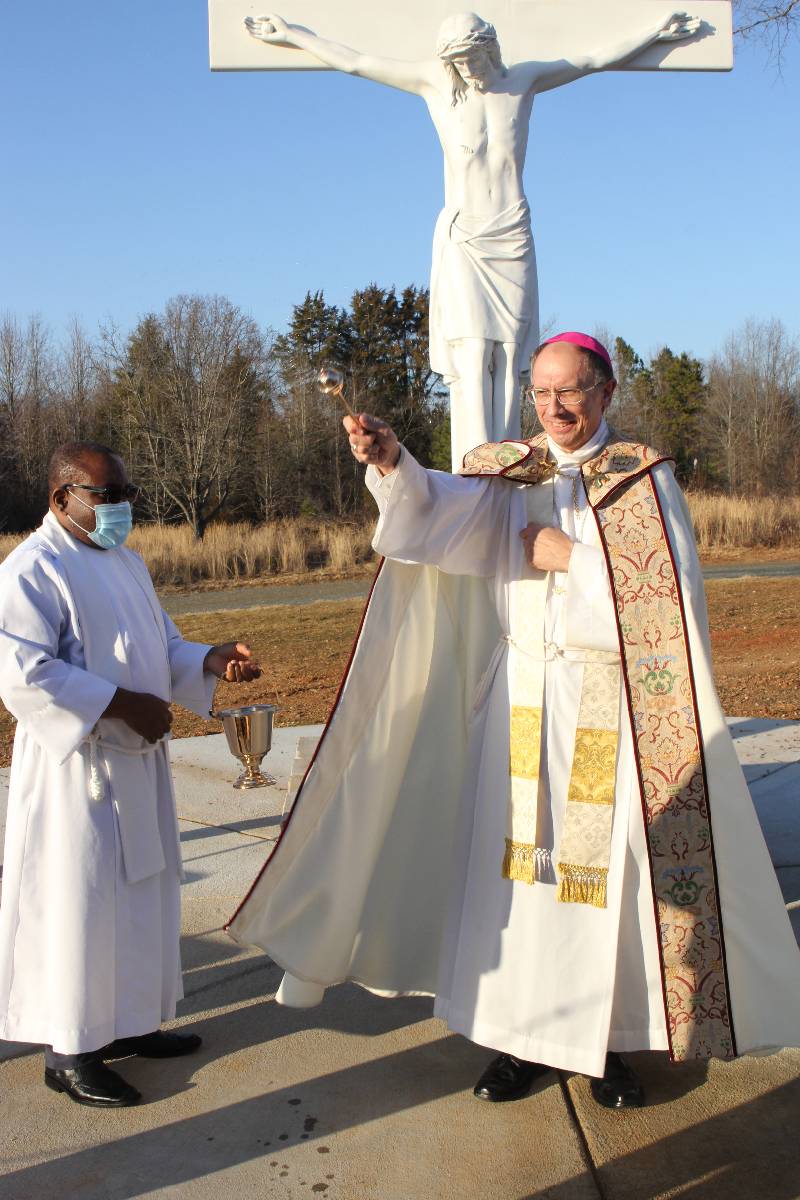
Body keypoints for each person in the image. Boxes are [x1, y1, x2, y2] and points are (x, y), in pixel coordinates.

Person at [228, 333, 800, 1108]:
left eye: (570, 392)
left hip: (602, 706)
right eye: (542, 392)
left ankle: (605, 1045)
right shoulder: (509, 471)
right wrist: (392, 463)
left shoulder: (641, 478)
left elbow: (669, 603)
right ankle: (517, 1041)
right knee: (515, 879)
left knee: (595, 885)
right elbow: (440, 518)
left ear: (605, 392)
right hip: (519, 704)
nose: (554, 408)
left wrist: (572, 558)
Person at [245, 10, 700, 465]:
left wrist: (655, 32)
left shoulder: (522, 81)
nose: (468, 69)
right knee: (473, 349)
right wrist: (293, 35)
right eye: (458, 63)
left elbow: (591, 59)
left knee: (510, 353)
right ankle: (473, 463)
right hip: (465, 235)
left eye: (474, 59)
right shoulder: (436, 85)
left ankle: (504, 461)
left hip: (511, 231)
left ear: (490, 49)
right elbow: (357, 62)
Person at [0, 442, 262, 1108]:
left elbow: (159, 645)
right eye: (107, 495)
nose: (121, 507)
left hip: (137, 764)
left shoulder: (126, 562)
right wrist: (120, 704)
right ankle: (70, 1051)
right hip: (77, 774)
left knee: (142, 897)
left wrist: (207, 659)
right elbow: (24, 674)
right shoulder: (31, 570)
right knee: (82, 904)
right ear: (62, 498)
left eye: (127, 494)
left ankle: (133, 1022)